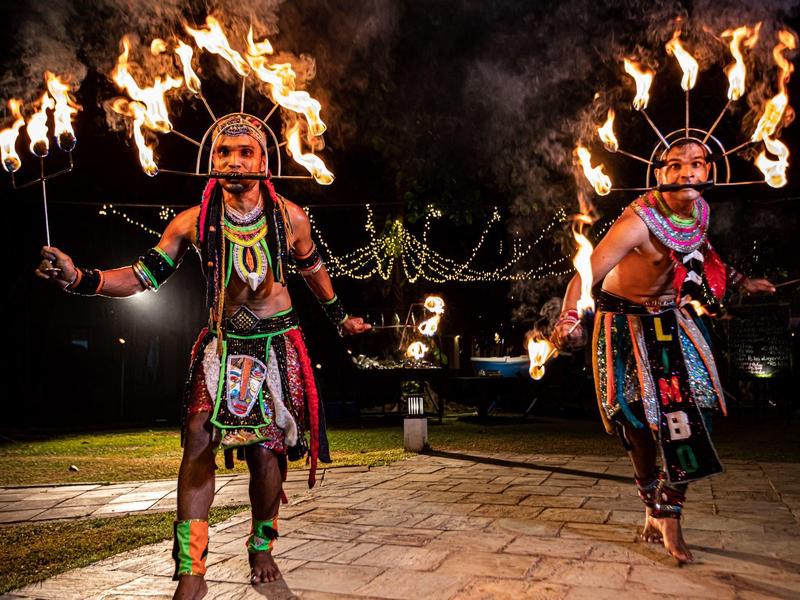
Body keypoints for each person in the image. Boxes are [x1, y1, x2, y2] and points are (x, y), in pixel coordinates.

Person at [35, 114, 371, 599]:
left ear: (264, 162)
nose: (233, 162)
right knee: (197, 436)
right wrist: (81, 279)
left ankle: (261, 544)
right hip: (222, 343)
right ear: (211, 161)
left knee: (265, 453)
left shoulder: (290, 217)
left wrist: (340, 317)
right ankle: (191, 568)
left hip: (276, 344)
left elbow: (312, 266)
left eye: (245, 152)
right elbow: (143, 274)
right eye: (223, 153)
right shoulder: (192, 222)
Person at [552, 138, 775, 563]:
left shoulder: (700, 211)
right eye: (674, 166)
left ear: (708, 171)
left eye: (696, 164)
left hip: (672, 319)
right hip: (623, 323)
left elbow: (701, 253)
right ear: (659, 175)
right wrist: (567, 320)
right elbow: (585, 274)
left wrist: (743, 280)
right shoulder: (638, 221)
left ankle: (669, 508)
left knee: (698, 412)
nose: (686, 173)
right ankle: (652, 506)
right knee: (636, 421)